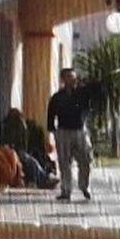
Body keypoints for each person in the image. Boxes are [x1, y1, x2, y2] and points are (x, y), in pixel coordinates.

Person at [45, 67, 99, 201]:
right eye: (68, 77)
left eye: (73, 77)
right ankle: (66, 190)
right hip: (63, 131)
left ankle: (84, 186)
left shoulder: (82, 93)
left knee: (86, 160)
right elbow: (51, 113)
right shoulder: (57, 97)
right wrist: (52, 129)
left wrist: (88, 81)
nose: (72, 79)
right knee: (64, 163)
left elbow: (95, 92)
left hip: (80, 130)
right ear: (63, 79)